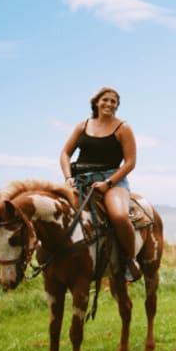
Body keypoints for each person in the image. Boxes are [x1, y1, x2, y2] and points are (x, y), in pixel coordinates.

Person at [59, 86, 141, 282]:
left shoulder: (123, 128)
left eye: (114, 101)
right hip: (80, 180)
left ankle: (130, 260)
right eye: (105, 100)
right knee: (56, 213)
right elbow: (65, 154)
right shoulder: (82, 125)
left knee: (120, 216)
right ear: (96, 102)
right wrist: (68, 177)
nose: (109, 104)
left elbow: (130, 162)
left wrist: (108, 183)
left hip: (112, 180)